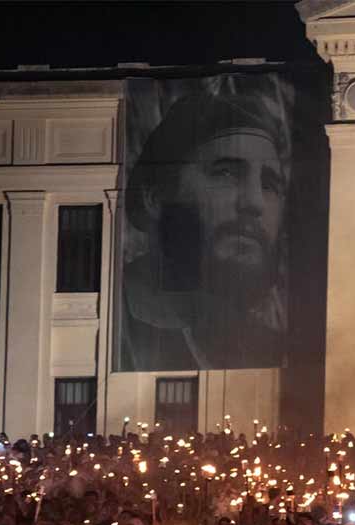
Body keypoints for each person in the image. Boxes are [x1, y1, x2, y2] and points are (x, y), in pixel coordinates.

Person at [121, 87, 290, 371]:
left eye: (269, 184)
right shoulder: (117, 321)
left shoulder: (273, 350)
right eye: (226, 173)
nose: (254, 202)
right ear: (157, 196)